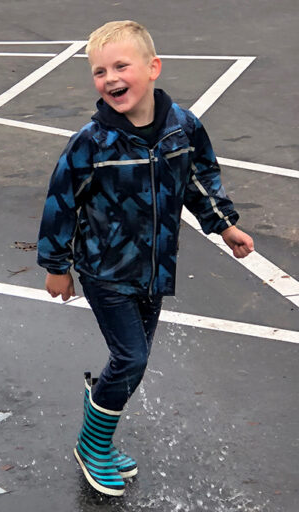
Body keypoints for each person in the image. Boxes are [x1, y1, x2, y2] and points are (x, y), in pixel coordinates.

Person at [36, 20, 254, 497]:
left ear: (153, 68)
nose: (110, 78)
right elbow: (61, 202)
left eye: (121, 66)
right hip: (105, 271)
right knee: (131, 358)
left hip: (155, 269)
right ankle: (93, 444)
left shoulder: (183, 127)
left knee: (133, 361)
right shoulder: (92, 142)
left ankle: (98, 426)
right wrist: (56, 266)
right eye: (99, 71)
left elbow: (199, 180)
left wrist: (225, 225)